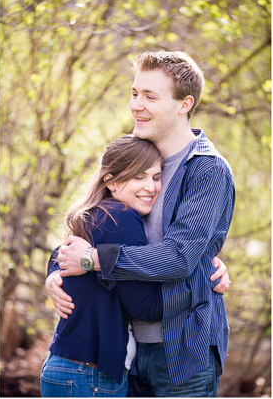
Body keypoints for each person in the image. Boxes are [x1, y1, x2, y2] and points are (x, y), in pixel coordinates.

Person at [52, 51, 235, 396]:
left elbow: (180, 256)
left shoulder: (207, 170)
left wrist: (92, 259)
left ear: (184, 104)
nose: (136, 105)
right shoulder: (140, 157)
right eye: (135, 93)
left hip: (181, 352)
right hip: (127, 349)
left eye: (150, 96)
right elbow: (94, 222)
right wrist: (56, 269)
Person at [40, 135, 165, 397]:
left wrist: (52, 273)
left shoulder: (98, 215)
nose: (151, 187)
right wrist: (200, 284)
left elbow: (61, 255)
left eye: (156, 176)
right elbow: (144, 307)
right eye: (139, 177)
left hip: (64, 370)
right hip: (88, 377)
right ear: (112, 181)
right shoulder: (121, 217)